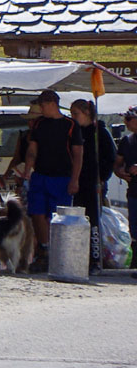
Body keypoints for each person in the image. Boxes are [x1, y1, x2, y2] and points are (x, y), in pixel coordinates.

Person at [19, 90, 81, 271]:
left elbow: (78, 154)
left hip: (62, 177)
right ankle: (43, 250)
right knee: (37, 212)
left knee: (57, 217)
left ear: (52, 103)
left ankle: (57, 252)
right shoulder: (39, 124)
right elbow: (32, 149)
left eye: (43, 105)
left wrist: (75, 179)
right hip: (40, 175)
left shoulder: (70, 125)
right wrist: (27, 170)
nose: (41, 109)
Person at [70, 99, 115, 270]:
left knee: (93, 220)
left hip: (94, 183)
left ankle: (95, 258)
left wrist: (102, 177)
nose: (73, 117)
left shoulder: (100, 132)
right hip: (78, 182)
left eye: (76, 114)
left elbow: (110, 158)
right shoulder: (76, 132)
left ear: (86, 113)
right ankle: (79, 255)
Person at [115, 109, 137, 241]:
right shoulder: (126, 141)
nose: (125, 123)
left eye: (128, 119)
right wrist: (119, 172)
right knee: (134, 232)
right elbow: (117, 163)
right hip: (133, 193)